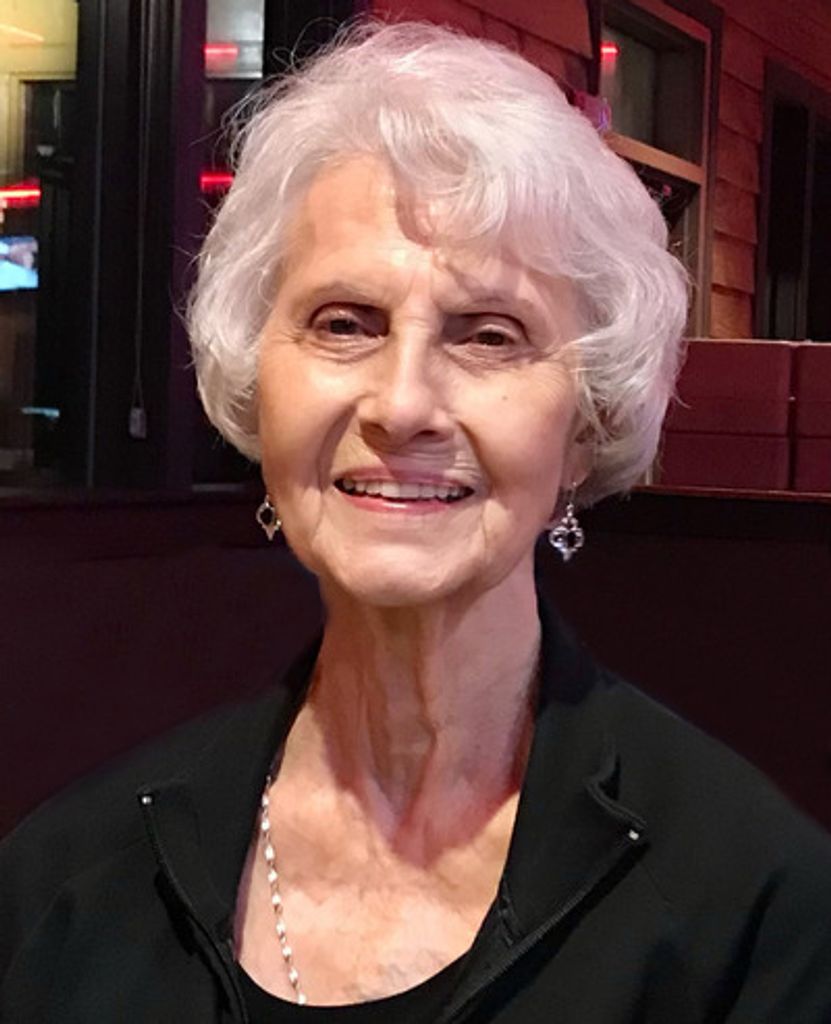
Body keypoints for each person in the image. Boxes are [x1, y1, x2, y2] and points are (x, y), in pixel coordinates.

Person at [2, 20, 830, 1023]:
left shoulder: (758, 917)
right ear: (256, 382)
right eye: (344, 322)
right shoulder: (64, 887)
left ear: (587, 423)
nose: (401, 406)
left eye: (489, 336)